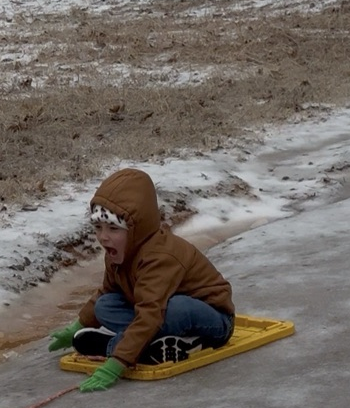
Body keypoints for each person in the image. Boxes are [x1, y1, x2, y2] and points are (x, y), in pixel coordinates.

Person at [48, 167, 235, 392]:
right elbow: (107, 291)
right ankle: (147, 344)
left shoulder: (161, 257)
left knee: (176, 308)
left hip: (212, 320)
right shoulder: (118, 253)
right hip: (159, 312)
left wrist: (115, 365)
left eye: (113, 228)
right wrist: (77, 326)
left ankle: (117, 346)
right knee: (105, 305)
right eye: (98, 227)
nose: (103, 237)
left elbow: (150, 313)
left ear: (137, 228)